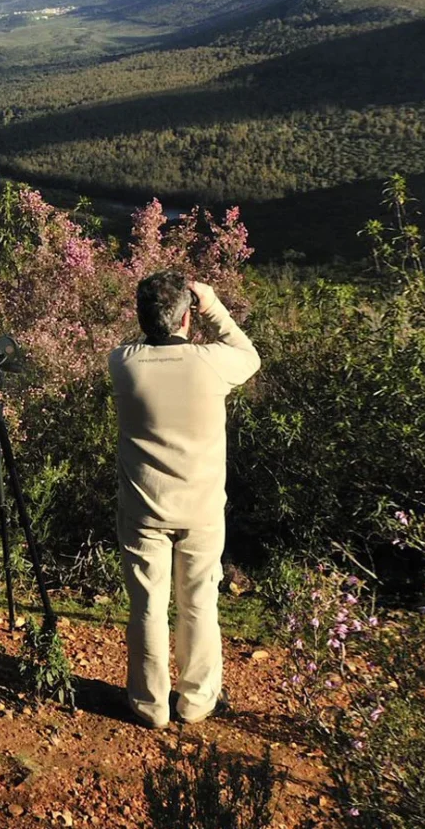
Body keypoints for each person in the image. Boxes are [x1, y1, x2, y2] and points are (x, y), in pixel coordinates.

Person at [108, 274, 259, 728]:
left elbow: (142, 345)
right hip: (202, 510)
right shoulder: (211, 364)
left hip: (143, 509)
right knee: (199, 604)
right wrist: (213, 306)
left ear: (141, 317)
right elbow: (250, 356)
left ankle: (148, 704)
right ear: (188, 317)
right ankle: (196, 702)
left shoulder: (123, 363)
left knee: (148, 606)